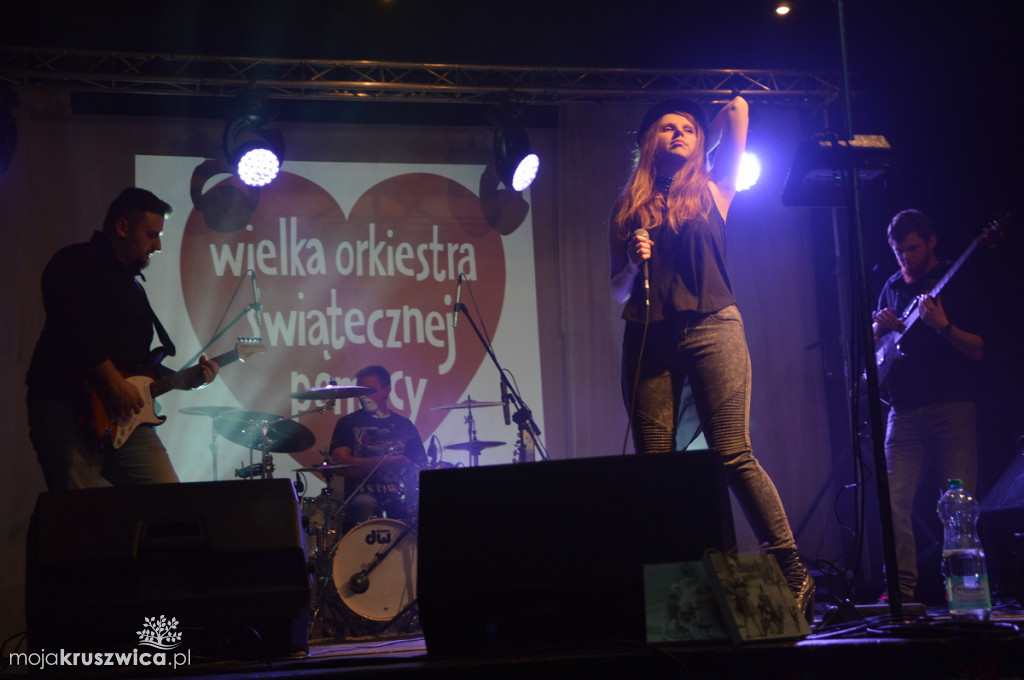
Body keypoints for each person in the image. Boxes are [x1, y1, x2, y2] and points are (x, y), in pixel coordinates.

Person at [608, 97, 813, 619]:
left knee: (732, 453)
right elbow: (616, 290)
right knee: (656, 467)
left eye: (687, 129)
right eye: (666, 128)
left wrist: (704, 127)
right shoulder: (627, 207)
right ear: (647, 141)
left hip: (713, 327)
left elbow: (739, 108)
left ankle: (794, 573)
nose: (678, 133)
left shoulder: (715, 187)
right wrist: (630, 264)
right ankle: (675, 592)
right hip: (648, 335)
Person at [26, 187, 219, 490]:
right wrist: (114, 383)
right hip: (69, 407)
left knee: (170, 501)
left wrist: (186, 379)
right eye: (152, 235)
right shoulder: (73, 261)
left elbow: (134, 363)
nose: (157, 246)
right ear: (122, 227)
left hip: (125, 417)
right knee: (76, 512)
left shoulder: (132, 284)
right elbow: (74, 329)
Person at [872, 209, 986, 602]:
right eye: (899, 251)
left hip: (951, 407)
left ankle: (965, 593)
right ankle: (900, 591)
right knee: (890, 501)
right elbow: (876, 349)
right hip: (902, 411)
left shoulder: (956, 277)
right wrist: (877, 328)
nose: (906, 258)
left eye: (913, 249)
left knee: (958, 508)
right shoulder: (890, 286)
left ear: (931, 241)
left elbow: (979, 349)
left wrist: (944, 327)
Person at [329, 365, 427, 528]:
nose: (363, 396)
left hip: (400, 497)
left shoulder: (404, 425)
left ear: (386, 390)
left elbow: (421, 466)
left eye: (369, 390)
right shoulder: (348, 423)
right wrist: (382, 462)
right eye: (360, 391)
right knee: (365, 504)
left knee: (412, 509)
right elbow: (339, 463)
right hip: (362, 497)